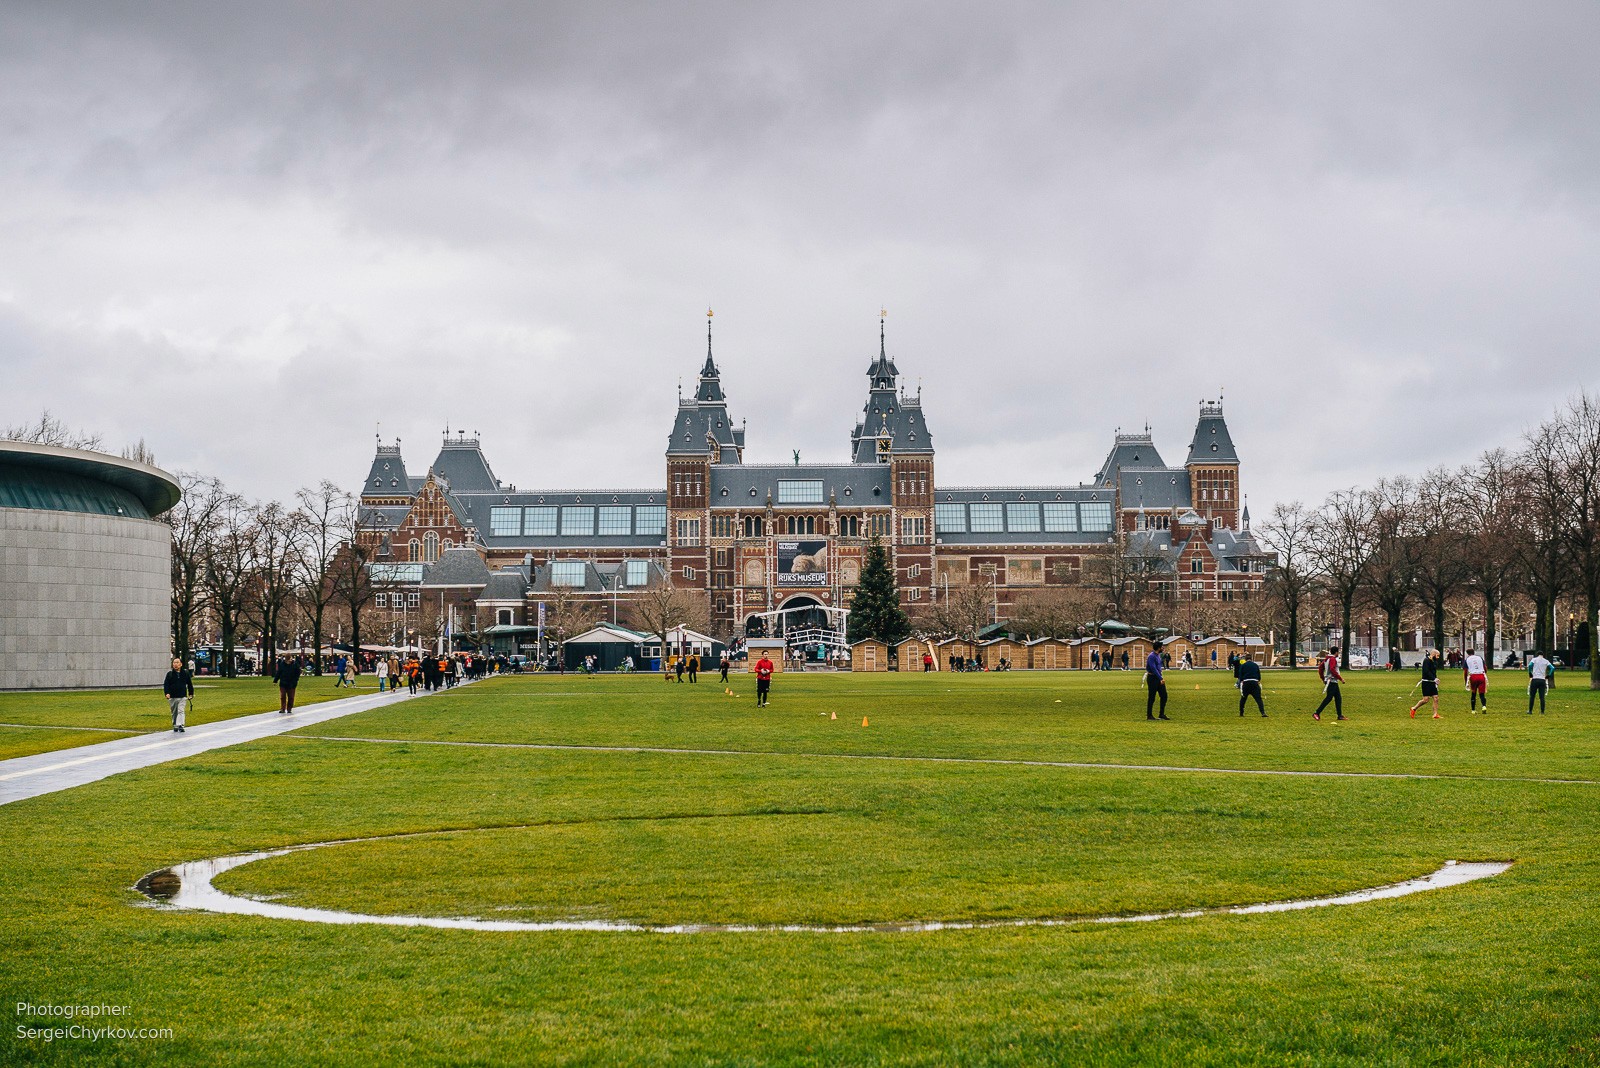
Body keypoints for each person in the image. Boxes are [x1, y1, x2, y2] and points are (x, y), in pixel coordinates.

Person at [1409, 649, 1442, 719]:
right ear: (1433, 654)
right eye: (1437, 655)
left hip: (1432, 682)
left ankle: (1435, 714)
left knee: (1436, 698)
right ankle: (1414, 708)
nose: (1438, 657)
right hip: (1426, 682)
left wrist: (1436, 679)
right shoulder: (1426, 661)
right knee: (1425, 700)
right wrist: (1434, 678)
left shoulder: (1434, 662)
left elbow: (1433, 672)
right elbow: (1426, 671)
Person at [1314, 647, 1345, 721]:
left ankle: (1340, 715)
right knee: (1329, 698)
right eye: (1338, 652)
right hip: (1332, 681)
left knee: (1338, 698)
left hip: (1331, 681)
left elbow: (1320, 668)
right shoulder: (1333, 659)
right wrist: (1340, 678)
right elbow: (1332, 669)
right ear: (1336, 652)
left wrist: (1323, 678)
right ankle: (1317, 713)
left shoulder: (1326, 659)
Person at [163, 657, 193, 732]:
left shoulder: (185, 673)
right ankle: (175, 724)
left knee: (181, 710)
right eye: (174, 663)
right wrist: (167, 693)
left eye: (177, 662)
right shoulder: (169, 674)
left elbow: (189, 684)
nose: (175, 664)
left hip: (182, 696)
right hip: (172, 696)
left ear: (181, 664)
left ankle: (180, 724)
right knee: (174, 712)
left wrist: (191, 694)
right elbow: (166, 684)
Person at [1144, 645, 1169, 720]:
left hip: (1158, 677)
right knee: (1152, 697)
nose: (1163, 648)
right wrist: (1160, 678)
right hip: (1153, 678)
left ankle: (1161, 714)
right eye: (1161, 647)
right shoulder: (1151, 656)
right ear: (1158, 648)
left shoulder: (1158, 655)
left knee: (1164, 695)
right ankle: (1149, 715)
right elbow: (1153, 668)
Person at [1527, 650, 1553, 714]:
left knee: (1532, 696)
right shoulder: (1546, 661)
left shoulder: (1534, 660)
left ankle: (1530, 711)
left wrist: (1530, 672)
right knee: (1542, 697)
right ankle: (1542, 712)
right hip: (1542, 680)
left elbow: (1530, 665)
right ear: (1543, 655)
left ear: (1537, 654)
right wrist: (1548, 675)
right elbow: (1552, 668)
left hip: (1535, 679)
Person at [1464, 647, 1489, 712]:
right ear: (1474, 652)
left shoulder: (1467, 659)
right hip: (1481, 675)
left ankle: (1473, 710)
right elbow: (1485, 667)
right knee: (1482, 693)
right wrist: (1484, 673)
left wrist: (1466, 681)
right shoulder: (1479, 658)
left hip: (1473, 676)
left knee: (1473, 693)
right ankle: (1484, 706)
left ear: (1467, 653)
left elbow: (1465, 671)